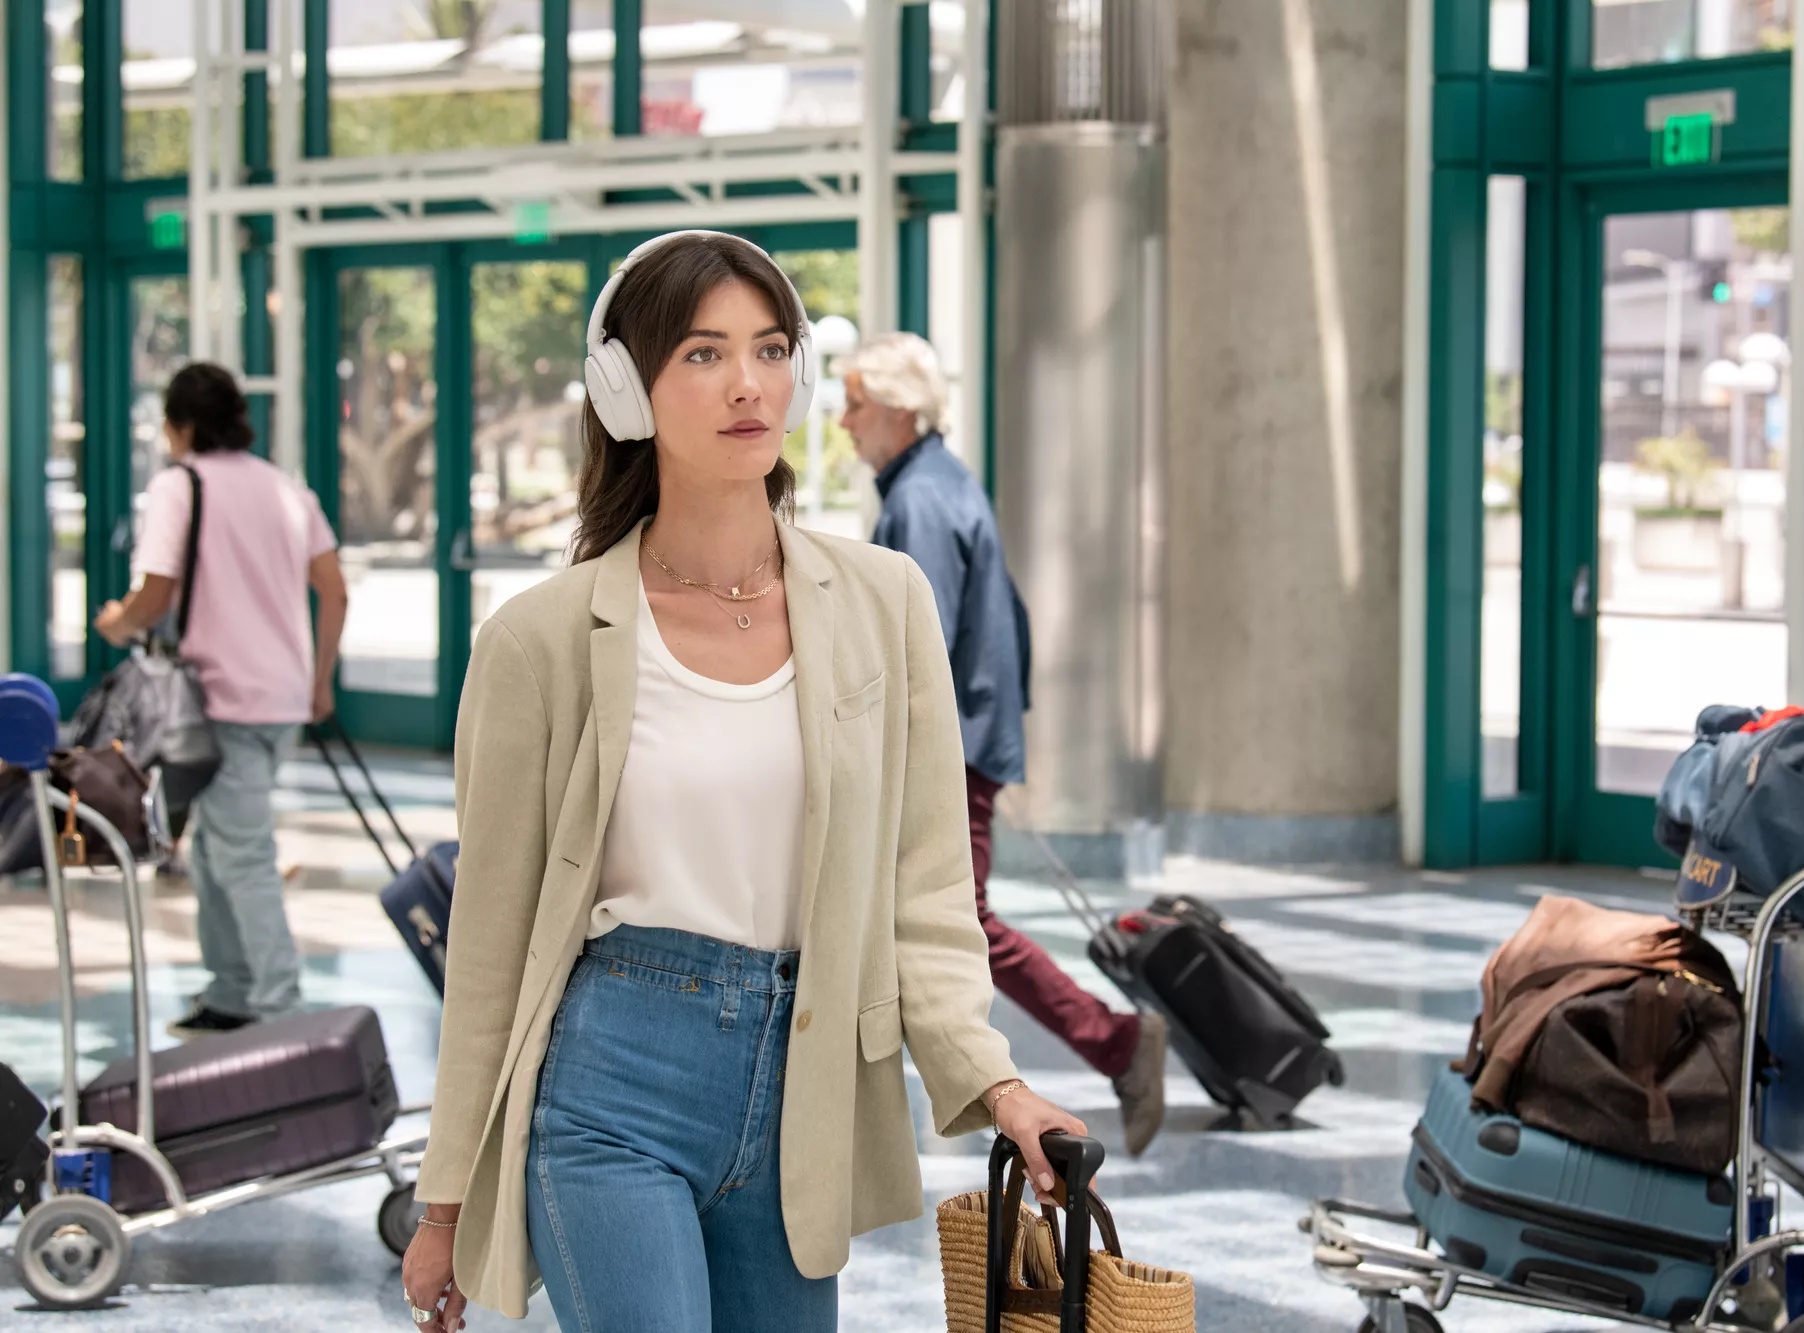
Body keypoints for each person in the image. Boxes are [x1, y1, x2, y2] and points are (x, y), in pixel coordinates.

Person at [401, 232, 1087, 1333]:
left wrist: (999, 1087)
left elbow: (926, 894)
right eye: (704, 354)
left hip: (802, 1088)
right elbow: (491, 937)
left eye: (770, 349)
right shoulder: (541, 639)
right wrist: (445, 1200)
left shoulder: (883, 602)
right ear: (627, 387)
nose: (748, 383)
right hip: (609, 1082)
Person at [839, 332, 1169, 1157]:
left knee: (964, 923)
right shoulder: (947, 481)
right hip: (971, 739)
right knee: (949, 919)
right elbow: (1003, 620)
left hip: (945, 753)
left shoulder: (917, 500)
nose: (844, 421)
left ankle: (1116, 1041)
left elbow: (914, 648)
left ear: (900, 410)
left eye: (855, 403)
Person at [94, 362, 347, 1036]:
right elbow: (335, 587)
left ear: (179, 426)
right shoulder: (286, 488)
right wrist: (320, 680)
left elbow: (155, 593)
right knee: (213, 848)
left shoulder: (181, 486)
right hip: (283, 698)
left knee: (240, 854)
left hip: (221, 700)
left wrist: (118, 621)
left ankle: (278, 1006)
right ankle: (232, 991)